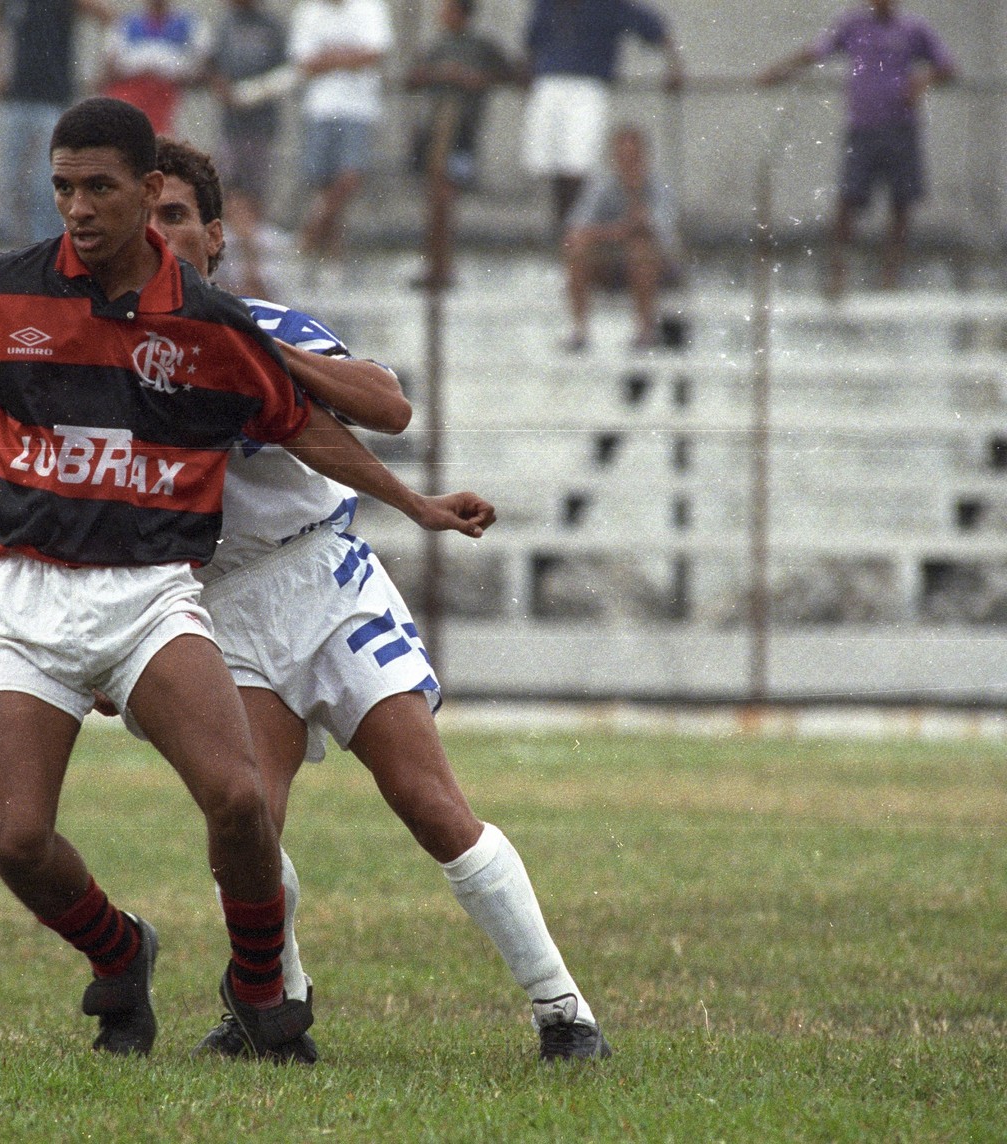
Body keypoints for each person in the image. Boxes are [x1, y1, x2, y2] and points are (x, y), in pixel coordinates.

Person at [0, 98, 490, 1060]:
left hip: (152, 591)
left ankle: (259, 986)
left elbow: (304, 428)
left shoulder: (212, 325)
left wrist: (415, 505)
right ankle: (120, 951)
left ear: (149, 190)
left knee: (237, 801)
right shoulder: (5, 290)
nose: (79, 207)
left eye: (101, 187)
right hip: (29, 595)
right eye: (64, 187)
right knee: (15, 844)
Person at [147, 136, 611, 1063]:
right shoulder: (115, 359)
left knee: (431, 804)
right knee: (243, 822)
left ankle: (564, 1012)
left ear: (213, 234)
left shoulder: (268, 323)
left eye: (174, 216)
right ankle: (276, 1005)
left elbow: (388, 405)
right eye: (144, 215)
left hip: (324, 579)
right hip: (224, 604)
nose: (158, 233)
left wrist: (259, 350)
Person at [758, 0, 956, 296]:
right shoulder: (853, 25)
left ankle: (890, 275)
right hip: (862, 128)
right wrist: (778, 72)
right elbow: (815, 52)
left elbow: (948, 67)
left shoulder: (914, 29)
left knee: (900, 203)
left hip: (900, 127)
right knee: (847, 201)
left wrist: (923, 80)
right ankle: (837, 275)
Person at [520, 0, 682, 231]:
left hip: (588, 85)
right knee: (551, 163)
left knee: (579, 163)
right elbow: (531, 42)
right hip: (548, 84)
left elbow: (652, 26)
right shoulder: (547, 4)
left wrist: (674, 64)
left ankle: (576, 227)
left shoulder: (606, 4)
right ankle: (561, 229)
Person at [0, 0, 114, 247]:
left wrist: (102, 72)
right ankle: (16, 250)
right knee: (12, 184)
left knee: (46, 185)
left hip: (53, 103)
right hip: (17, 100)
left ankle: (48, 249)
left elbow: (107, 18)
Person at [404, 0, 514, 290]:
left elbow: (510, 73)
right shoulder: (437, 46)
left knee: (447, 198)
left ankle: (444, 265)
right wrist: (441, 73)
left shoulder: (481, 46)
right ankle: (432, 264)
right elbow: (412, 77)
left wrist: (476, 79)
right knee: (434, 199)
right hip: (434, 129)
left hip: (462, 131)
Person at [288, 0, 394, 266]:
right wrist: (348, 58)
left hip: (358, 107)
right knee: (322, 182)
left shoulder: (370, 7)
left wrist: (330, 58)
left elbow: (375, 52)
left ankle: (310, 234)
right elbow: (304, 60)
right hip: (320, 107)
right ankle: (332, 253)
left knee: (349, 176)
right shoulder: (308, 11)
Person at [561, 124, 679, 352]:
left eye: (633, 157)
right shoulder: (601, 185)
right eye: (623, 157)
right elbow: (577, 228)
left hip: (655, 268)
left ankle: (645, 331)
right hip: (610, 264)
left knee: (641, 249)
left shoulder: (659, 186)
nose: (628, 163)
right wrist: (617, 231)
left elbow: (662, 232)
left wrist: (634, 220)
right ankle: (579, 330)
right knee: (577, 249)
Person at [203, 0, 289, 300]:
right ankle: (236, 261)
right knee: (230, 188)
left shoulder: (271, 26)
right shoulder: (225, 24)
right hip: (231, 125)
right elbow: (210, 64)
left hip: (261, 124)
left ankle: (255, 263)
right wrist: (223, 87)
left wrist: (256, 92)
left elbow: (288, 69)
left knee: (255, 190)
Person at [98, 0, 208, 136]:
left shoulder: (190, 23)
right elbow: (110, 66)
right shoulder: (126, 23)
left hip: (173, 93)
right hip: (133, 90)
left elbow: (204, 66)